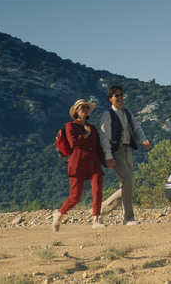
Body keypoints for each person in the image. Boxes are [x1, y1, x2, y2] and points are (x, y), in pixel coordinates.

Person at [98, 85, 150, 225]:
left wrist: (143, 138)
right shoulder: (107, 115)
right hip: (115, 152)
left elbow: (136, 126)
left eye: (121, 95)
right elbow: (104, 137)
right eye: (116, 95)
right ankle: (128, 217)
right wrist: (108, 156)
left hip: (127, 150)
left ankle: (102, 209)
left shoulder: (127, 113)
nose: (120, 97)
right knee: (127, 181)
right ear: (110, 99)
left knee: (129, 184)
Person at [53, 99, 106, 232]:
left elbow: (98, 147)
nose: (85, 109)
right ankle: (59, 215)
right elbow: (73, 144)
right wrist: (86, 134)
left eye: (87, 107)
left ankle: (96, 220)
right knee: (75, 197)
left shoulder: (93, 128)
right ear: (76, 111)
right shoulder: (71, 126)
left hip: (93, 162)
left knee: (98, 190)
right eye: (81, 107)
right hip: (77, 163)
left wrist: (105, 161)